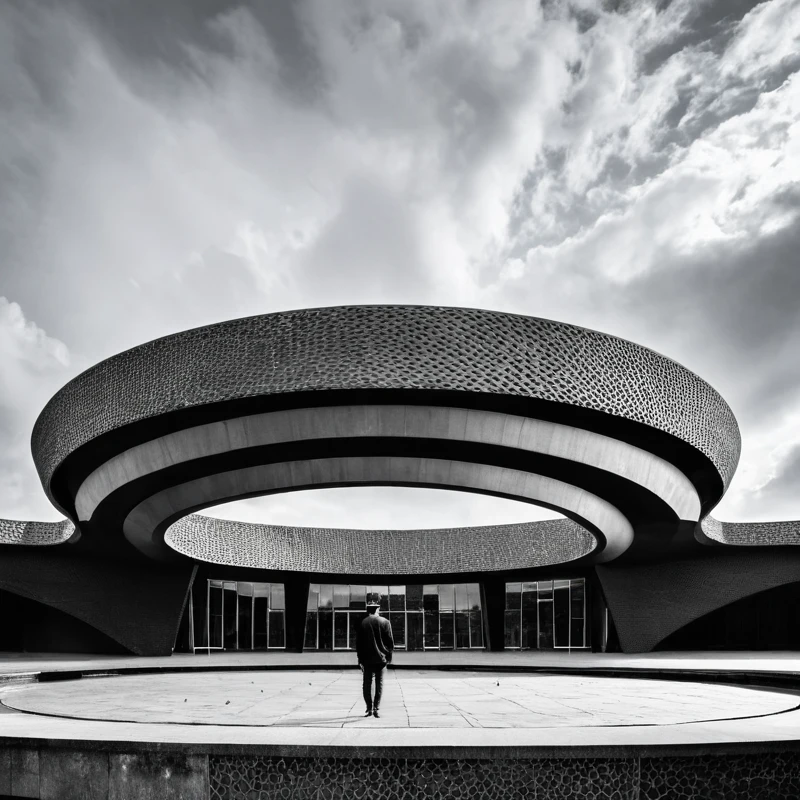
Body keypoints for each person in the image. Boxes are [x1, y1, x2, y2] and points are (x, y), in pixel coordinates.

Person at [356, 599, 394, 718]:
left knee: (367, 683)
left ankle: (369, 708)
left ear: (368, 610)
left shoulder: (363, 623)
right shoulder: (385, 622)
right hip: (381, 659)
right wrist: (388, 657)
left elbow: (359, 644)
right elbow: (390, 642)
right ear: (378, 609)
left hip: (367, 659)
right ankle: (376, 708)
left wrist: (360, 659)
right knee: (379, 683)